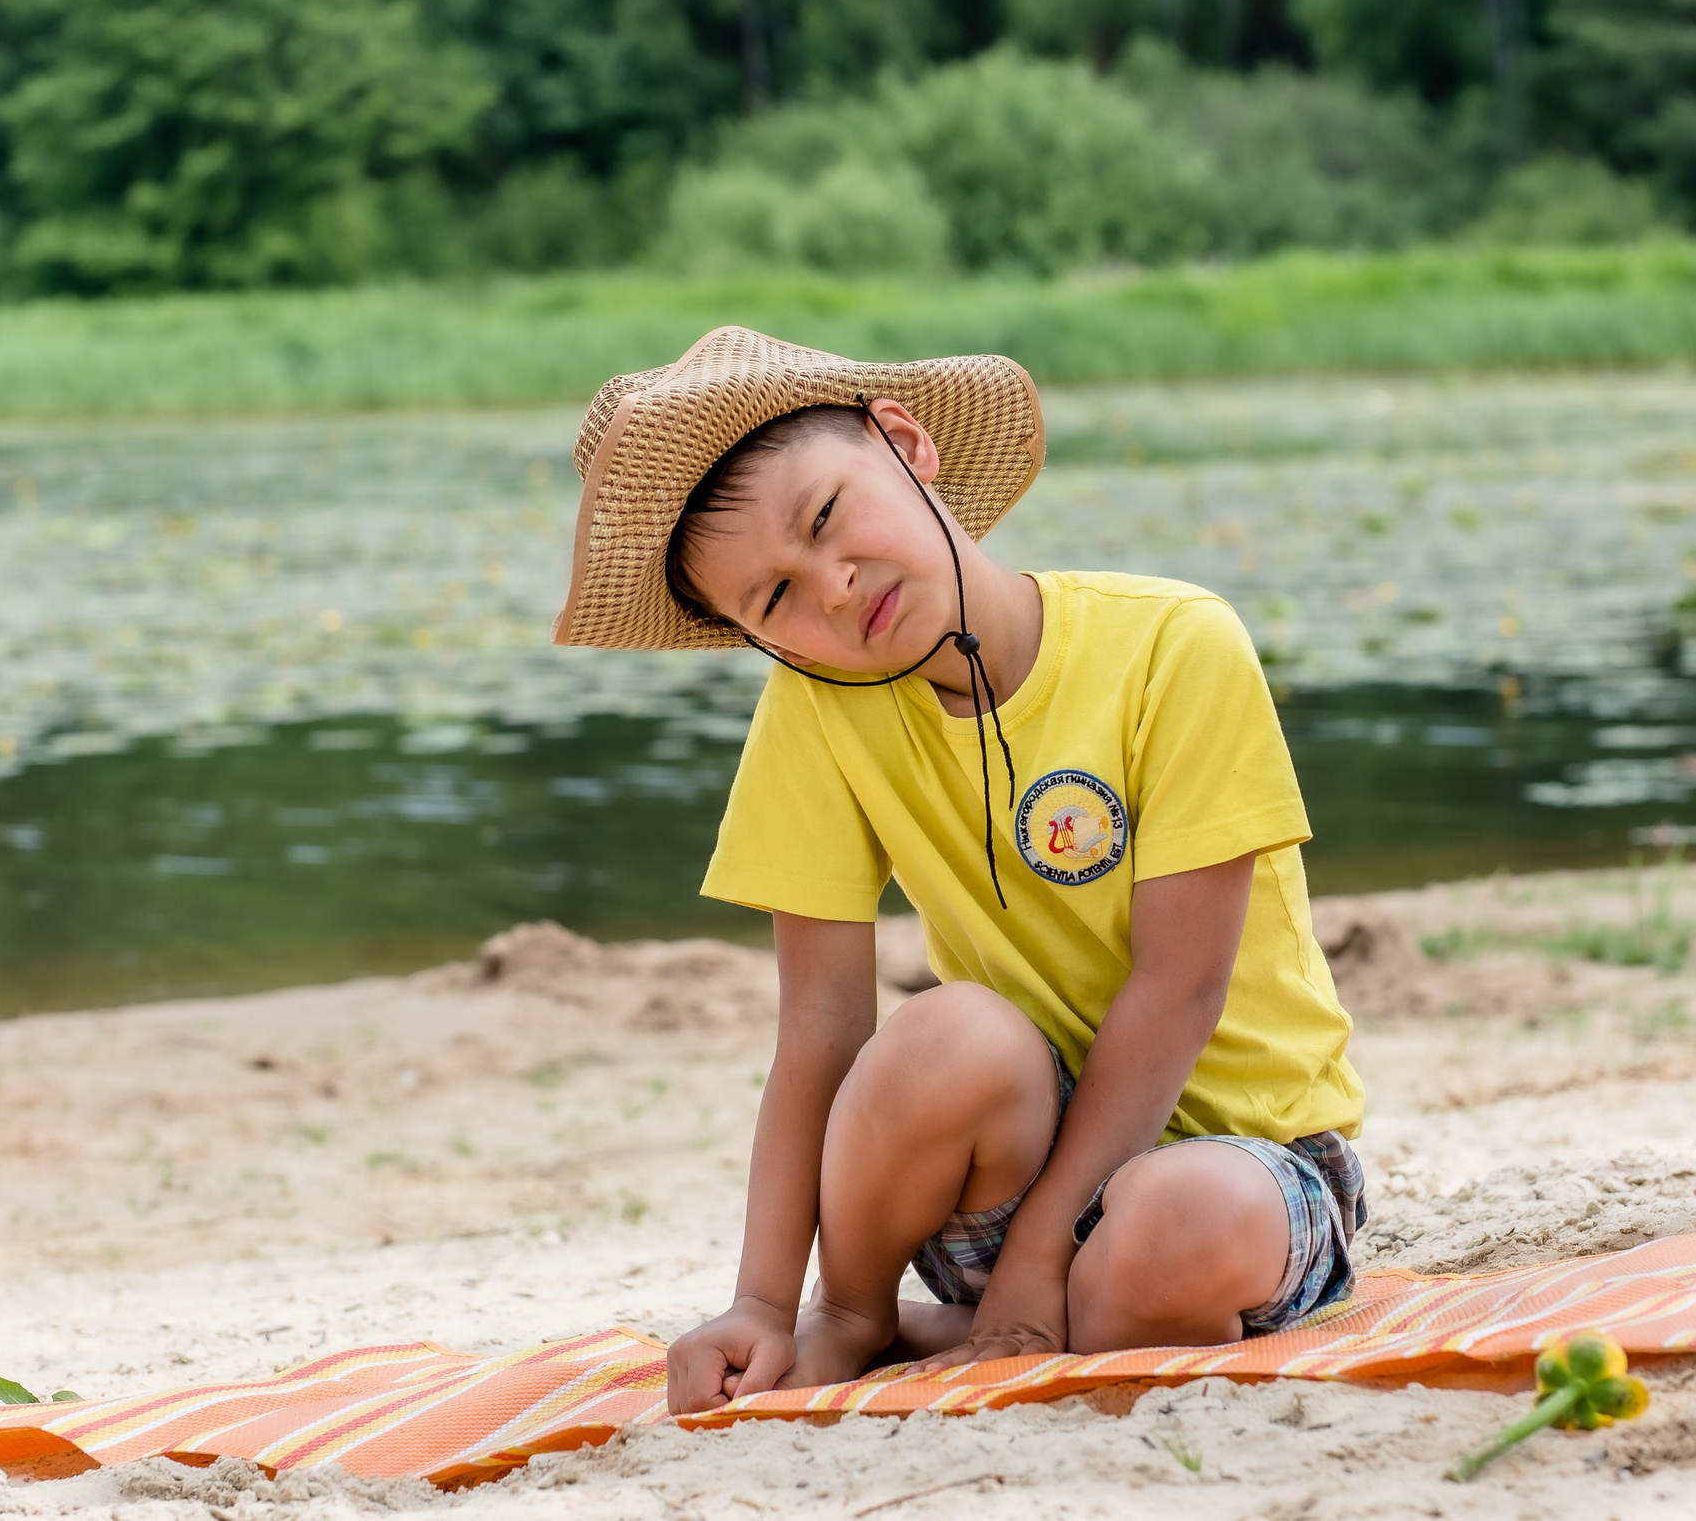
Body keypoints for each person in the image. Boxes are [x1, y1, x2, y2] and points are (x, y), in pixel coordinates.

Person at [552, 327, 1366, 1414]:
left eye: (828, 517)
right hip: (1008, 1172)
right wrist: (767, 1300)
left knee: (1176, 1222)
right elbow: (822, 1022)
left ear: (907, 442)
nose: (833, 588)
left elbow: (1181, 985)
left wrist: (1041, 1255)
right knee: (948, 1029)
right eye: (775, 599)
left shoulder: (1175, 643)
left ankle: (1021, 1318)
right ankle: (865, 1318)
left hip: (1246, 1174)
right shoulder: (818, 707)